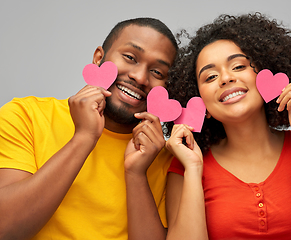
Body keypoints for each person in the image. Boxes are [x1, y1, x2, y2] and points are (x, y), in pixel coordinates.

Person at [164, 13, 291, 240]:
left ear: (265, 74)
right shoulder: (184, 164)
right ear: (199, 101)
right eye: (211, 76)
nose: (225, 78)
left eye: (238, 66)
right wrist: (194, 170)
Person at [0, 17, 177, 240]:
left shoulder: (168, 159)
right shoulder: (25, 115)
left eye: (158, 73)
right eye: (130, 58)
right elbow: (5, 229)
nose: (140, 77)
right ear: (98, 58)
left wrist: (136, 173)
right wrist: (84, 138)